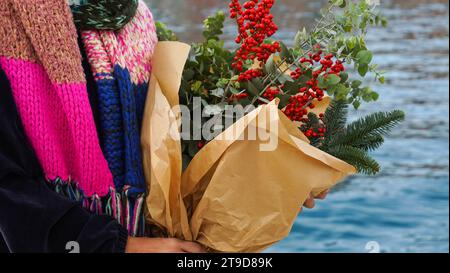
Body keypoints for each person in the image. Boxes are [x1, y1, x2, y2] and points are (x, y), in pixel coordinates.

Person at [0, 0, 327, 253]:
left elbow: (172, 129)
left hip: (149, 232)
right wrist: (118, 246)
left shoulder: (134, 17)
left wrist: (275, 166)